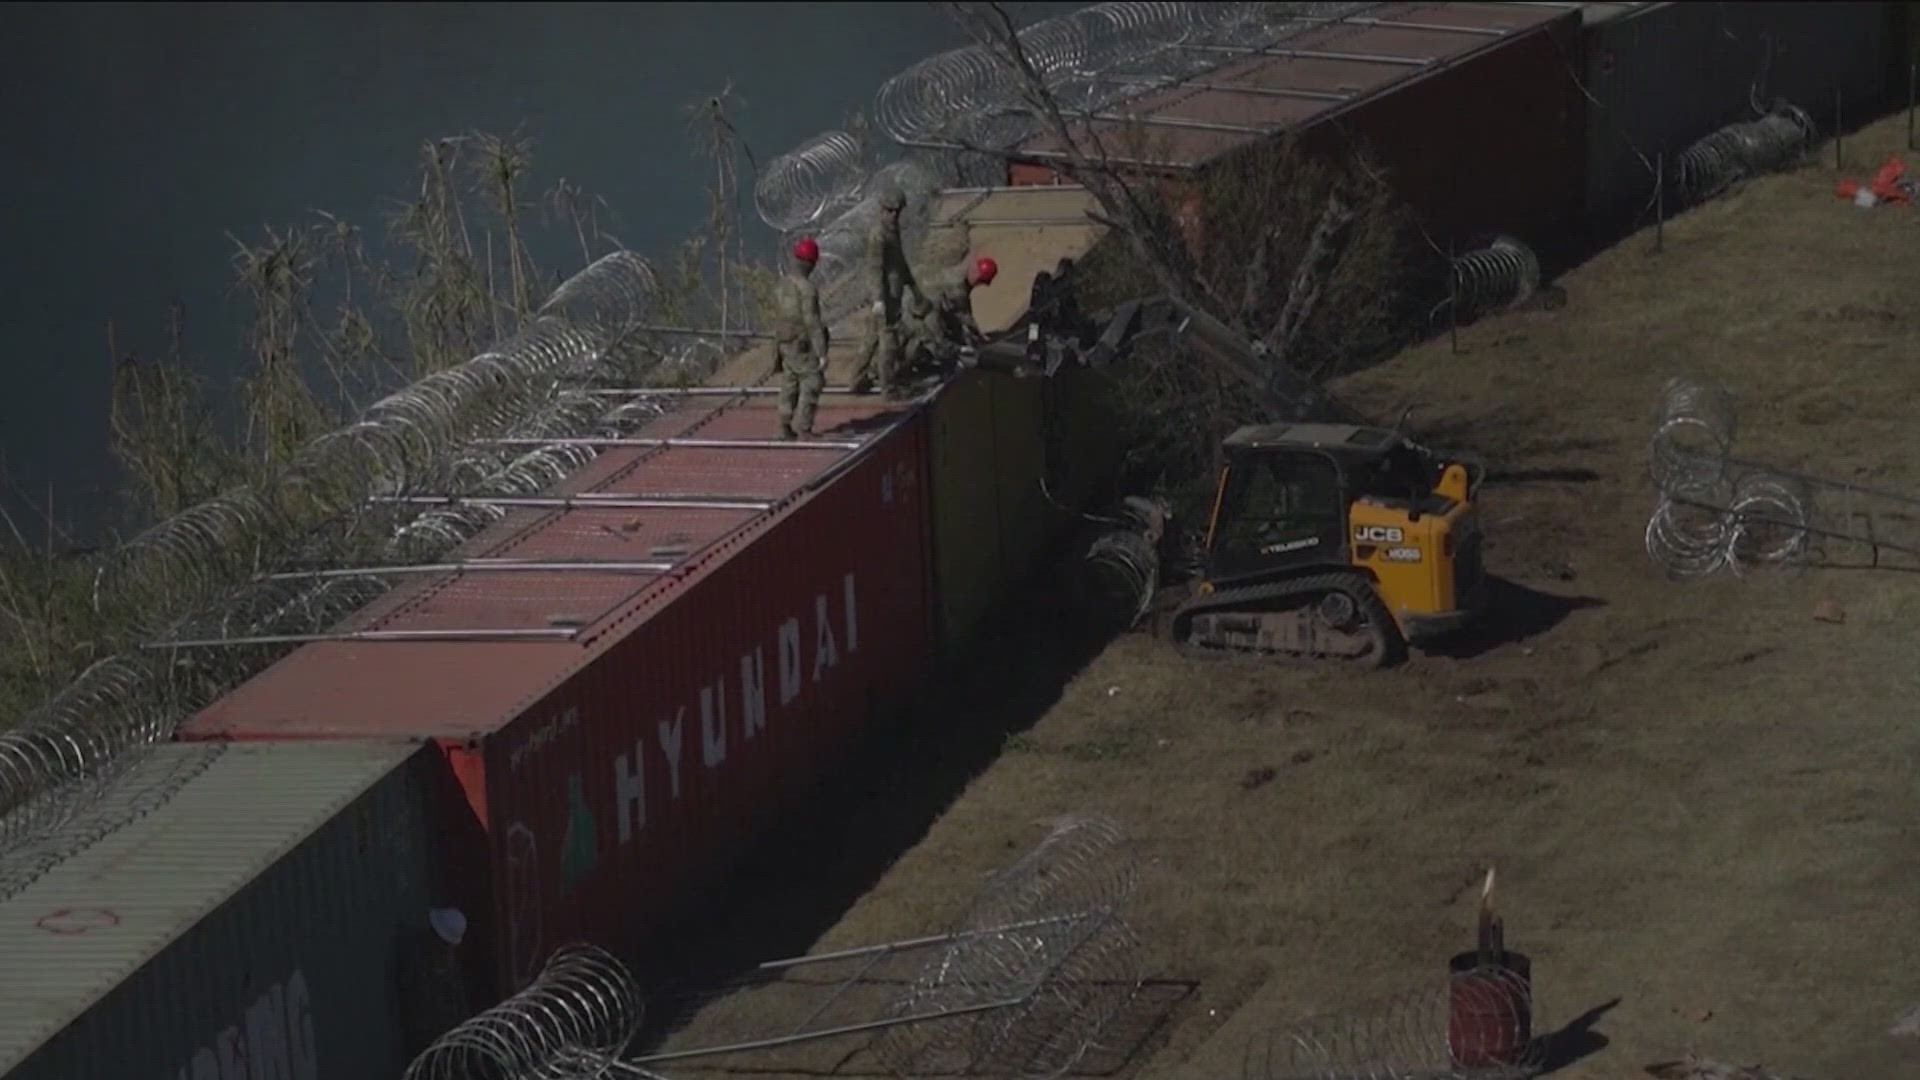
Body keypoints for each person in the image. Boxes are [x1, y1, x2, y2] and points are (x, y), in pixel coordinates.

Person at [848, 186, 925, 399]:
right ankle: (888, 388)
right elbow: (875, 269)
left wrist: (912, 286)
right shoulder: (878, 236)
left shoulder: (892, 231)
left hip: (892, 293)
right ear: (882, 210)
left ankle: (856, 379)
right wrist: (878, 300)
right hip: (885, 297)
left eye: (897, 211)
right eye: (890, 211)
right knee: (888, 342)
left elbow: (899, 262)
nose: (893, 215)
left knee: (872, 338)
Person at [899, 254, 997, 380]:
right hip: (920, 310)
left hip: (929, 306)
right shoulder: (957, 286)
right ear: (976, 274)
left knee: (948, 335)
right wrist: (977, 336)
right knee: (936, 342)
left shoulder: (961, 276)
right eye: (980, 281)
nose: (979, 285)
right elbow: (963, 314)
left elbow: (960, 311)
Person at [772, 236, 829, 440]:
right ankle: (805, 427)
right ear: (810, 263)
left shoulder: (783, 284)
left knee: (789, 383)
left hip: (784, 343)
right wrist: (822, 352)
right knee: (812, 381)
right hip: (802, 345)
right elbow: (812, 321)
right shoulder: (807, 289)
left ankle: (784, 426)